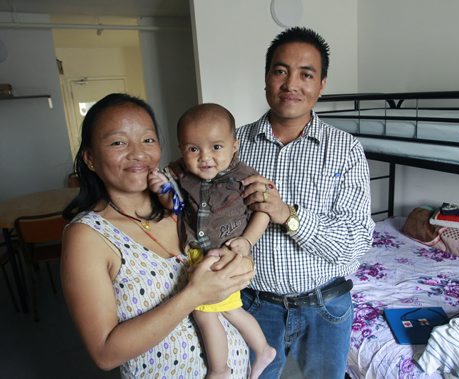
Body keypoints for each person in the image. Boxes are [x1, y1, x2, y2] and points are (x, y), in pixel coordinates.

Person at [60, 93, 255, 378]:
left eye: (148, 140)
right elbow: (105, 353)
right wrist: (194, 295)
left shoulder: (183, 207)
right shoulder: (87, 236)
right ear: (90, 158)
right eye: (118, 142)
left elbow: (234, 252)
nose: (138, 153)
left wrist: (241, 262)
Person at [236, 27, 376, 378]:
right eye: (280, 71)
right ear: (267, 77)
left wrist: (287, 214)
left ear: (322, 84)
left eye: (306, 74)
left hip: (326, 307)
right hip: (253, 304)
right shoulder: (233, 145)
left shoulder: (345, 149)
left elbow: (356, 242)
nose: (291, 84)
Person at [148, 103, 276, 379]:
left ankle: (220, 370)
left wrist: (247, 241)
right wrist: (162, 192)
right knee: (231, 310)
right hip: (199, 255)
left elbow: (264, 211)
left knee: (205, 314)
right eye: (193, 149)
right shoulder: (182, 175)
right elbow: (177, 207)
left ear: (234, 146)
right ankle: (263, 349)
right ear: (182, 150)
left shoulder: (245, 177)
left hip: (225, 257)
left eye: (216, 147)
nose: (205, 157)